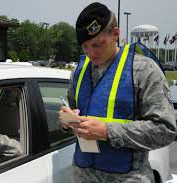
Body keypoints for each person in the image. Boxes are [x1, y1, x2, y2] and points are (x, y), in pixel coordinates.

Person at [59, 2, 177, 183]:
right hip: (83, 176)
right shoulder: (79, 72)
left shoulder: (144, 70)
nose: (91, 53)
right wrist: (67, 120)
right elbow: (73, 110)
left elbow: (165, 129)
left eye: (98, 44)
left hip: (128, 177)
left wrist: (107, 131)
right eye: (85, 46)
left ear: (116, 34)